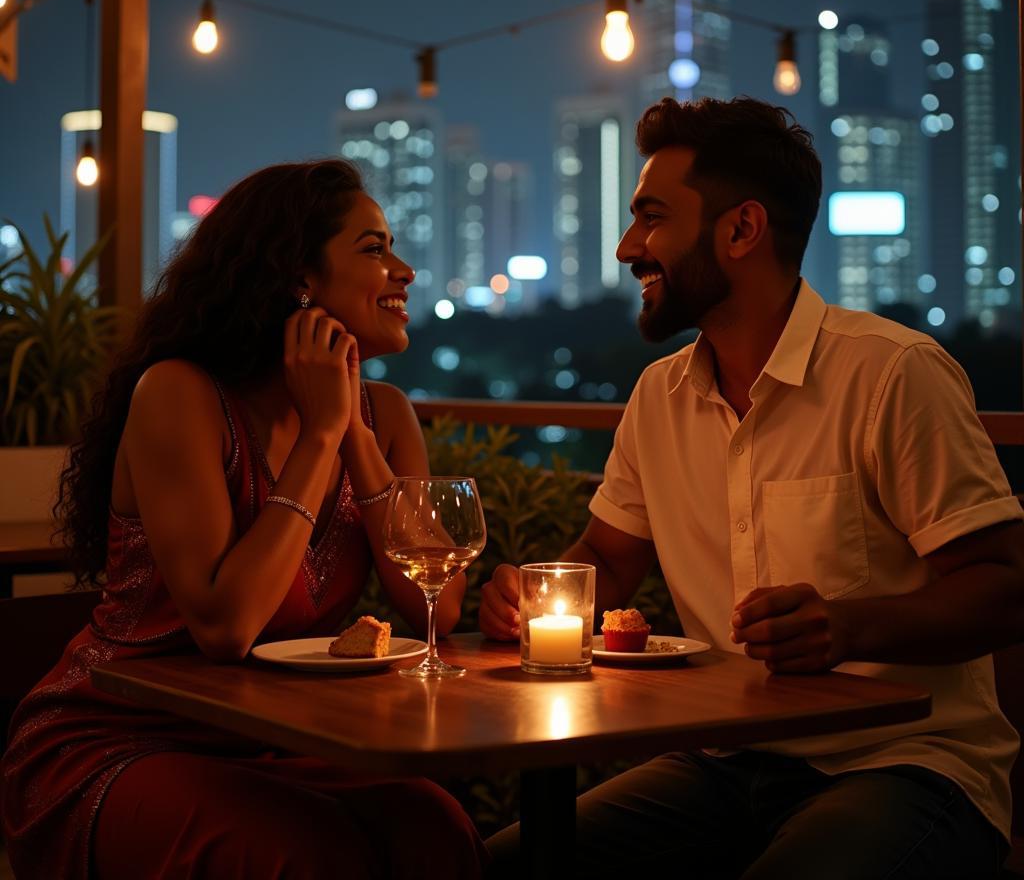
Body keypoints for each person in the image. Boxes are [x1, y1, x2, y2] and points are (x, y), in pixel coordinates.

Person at [480, 97, 1024, 879]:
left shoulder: (890, 374)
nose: (629, 246)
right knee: (498, 865)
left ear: (741, 230)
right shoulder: (659, 397)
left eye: (652, 219)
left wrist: (850, 627)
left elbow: (1006, 587)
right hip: (726, 763)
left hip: (907, 765)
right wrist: (535, 598)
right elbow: (607, 553)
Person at [1, 159, 488, 880]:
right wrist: (321, 435)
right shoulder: (181, 395)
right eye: (376, 248)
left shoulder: (384, 416)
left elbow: (438, 608)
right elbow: (227, 628)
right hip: (118, 742)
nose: (406, 271)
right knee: (303, 855)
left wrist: (351, 430)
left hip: (271, 740)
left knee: (434, 829)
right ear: (299, 276)